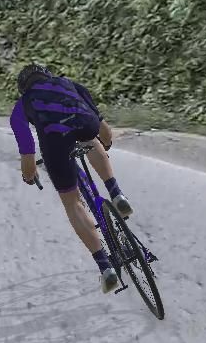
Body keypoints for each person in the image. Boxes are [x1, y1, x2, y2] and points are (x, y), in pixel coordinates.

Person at [10, 63, 135, 293]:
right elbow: (104, 130)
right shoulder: (69, 84)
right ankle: (116, 193)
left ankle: (105, 267)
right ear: (47, 75)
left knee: (72, 202)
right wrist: (105, 144)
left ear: (23, 88)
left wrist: (29, 175)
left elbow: (27, 156)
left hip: (55, 143)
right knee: (91, 139)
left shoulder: (22, 106)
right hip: (84, 125)